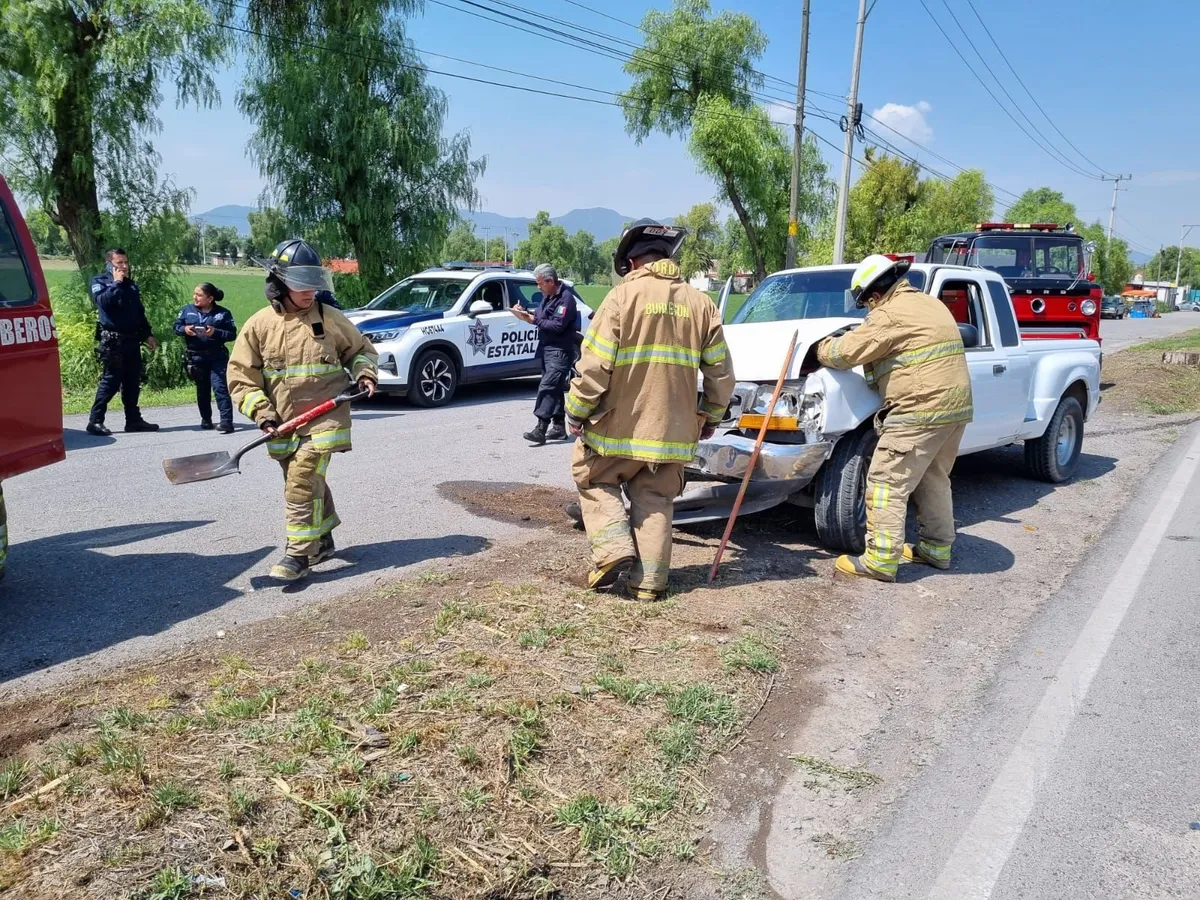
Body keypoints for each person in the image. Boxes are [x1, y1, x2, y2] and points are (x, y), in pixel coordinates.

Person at [564, 219, 735, 602]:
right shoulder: (701, 304)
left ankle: (612, 551)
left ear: (630, 263)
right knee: (656, 497)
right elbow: (721, 374)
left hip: (616, 432)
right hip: (672, 435)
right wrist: (711, 415)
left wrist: (575, 411)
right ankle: (649, 584)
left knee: (591, 477)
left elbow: (594, 368)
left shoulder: (620, 299)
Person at [227, 238, 379, 582]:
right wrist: (262, 414)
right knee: (305, 481)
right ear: (280, 283)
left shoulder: (330, 318)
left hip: (326, 419)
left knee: (301, 480)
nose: (310, 291)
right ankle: (322, 540)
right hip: (282, 422)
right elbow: (241, 378)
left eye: (313, 283)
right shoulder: (259, 326)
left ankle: (298, 554)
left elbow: (361, 351)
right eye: (301, 284)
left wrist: (365, 373)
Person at [815, 254, 974, 582]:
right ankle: (937, 548)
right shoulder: (930, 304)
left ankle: (880, 561)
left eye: (865, 304)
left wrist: (819, 346)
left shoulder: (889, 314)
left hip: (919, 409)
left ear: (874, 295)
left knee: (885, 482)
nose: (867, 310)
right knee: (932, 477)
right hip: (954, 409)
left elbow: (844, 354)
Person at [86, 248, 159, 436]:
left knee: (132, 382)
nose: (125, 266)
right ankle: (95, 421)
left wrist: (147, 335)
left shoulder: (131, 286)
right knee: (110, 381)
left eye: (126, 262)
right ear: (109, 264)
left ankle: (133, 420)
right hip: (113, 342)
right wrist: (116, 283)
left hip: (132, 340)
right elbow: (103, 302)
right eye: (120, 263)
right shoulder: (100, 282)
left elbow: (139, 313)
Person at [511, 263, 580, 444]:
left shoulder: (566, 299)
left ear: (550, 281)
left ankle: (540, 429)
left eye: (540, 283)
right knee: (554, 388)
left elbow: (557, 325)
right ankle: (558, 428)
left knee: (548, 386)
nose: (538, 287)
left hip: (560, 351)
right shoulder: (548, 297)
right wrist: (525, 313)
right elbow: (543, 316)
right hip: (546, 348)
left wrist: (534, 320)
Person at [174, 282, 237, 432]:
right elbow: (176, 327)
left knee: (220, 388)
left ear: (210, 298)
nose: (195, 297)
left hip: (217, 356)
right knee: (202, 390)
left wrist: (215, 332)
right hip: (196, 357)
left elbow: (232, 334)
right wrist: (185, 329)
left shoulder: (223, 313)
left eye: (199, 295)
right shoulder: (187, 310)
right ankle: (206, 420)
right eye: (195, 294)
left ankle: (226, 422)